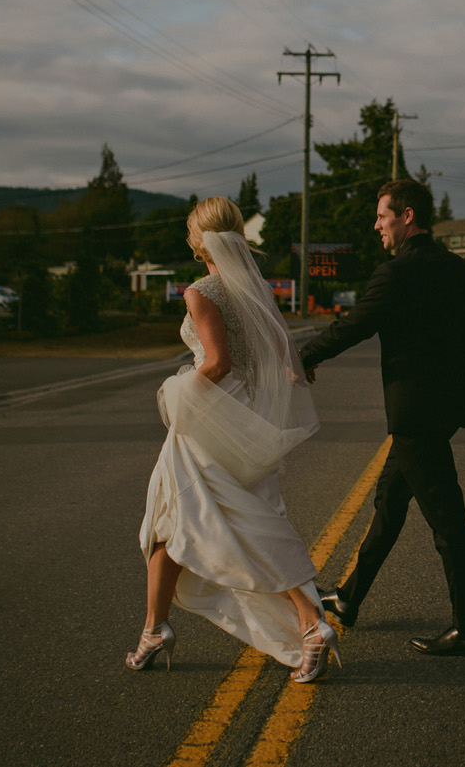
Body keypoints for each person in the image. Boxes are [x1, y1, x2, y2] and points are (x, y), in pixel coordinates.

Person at [127, 197, 340, 683]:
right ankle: (154, 627)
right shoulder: (256, 288)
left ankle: (308, 622)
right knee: (180, 518)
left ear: (196, 241)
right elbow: (280, 353)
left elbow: (217, 362)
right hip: (246, 415)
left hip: (212, 415)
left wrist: (181, 393)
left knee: (223, 522)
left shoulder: (201, 291)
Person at [301, 179, 465, 657]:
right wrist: (451, 395)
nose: (376, 225)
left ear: (407, 216)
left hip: (413, 418)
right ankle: (349, 597)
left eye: (382, 216)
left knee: (448, 522)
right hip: (441, 412)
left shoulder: (395, 273)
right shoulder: (460, 270)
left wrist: (304, 356)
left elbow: (355, 325)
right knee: (389, 501)